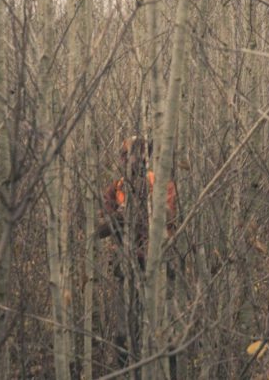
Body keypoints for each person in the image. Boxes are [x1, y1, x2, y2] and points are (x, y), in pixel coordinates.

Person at [97, 135, 178, 374]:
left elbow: (169, 219)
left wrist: (140, 211)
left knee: (166, 333)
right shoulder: (115, 189)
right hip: (126, 268)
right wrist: (119, 218)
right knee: (124, 334)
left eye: (135, 153)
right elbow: (99, 228)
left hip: (160, 268)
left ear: (145, 157)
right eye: (125, 154)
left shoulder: (162, 184)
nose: (130, 159)